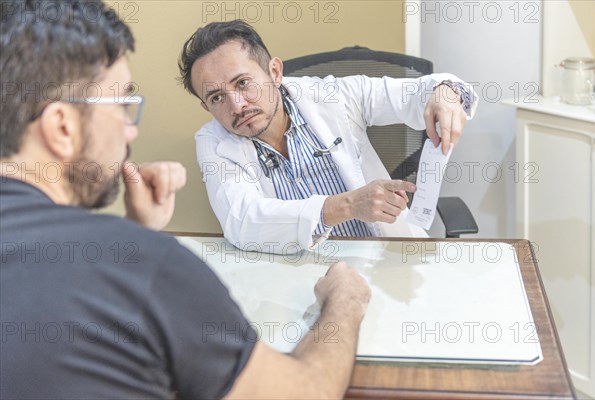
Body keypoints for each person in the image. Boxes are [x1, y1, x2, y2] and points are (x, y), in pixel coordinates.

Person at [0, 1, 371, 398]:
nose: (130, 131)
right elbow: (304, 393)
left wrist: (136, 235)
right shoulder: (155, 270)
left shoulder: (124, 267)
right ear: (61, 126)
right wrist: (345, 301)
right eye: (123, 105)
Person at [179, 20, 479, 254]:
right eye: (217, 97)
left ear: (275, 72)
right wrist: (347, 205)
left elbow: (418, 92)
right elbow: (243, 220)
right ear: (206, 106)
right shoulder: (213, 143)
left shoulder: (333, 96)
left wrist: (444, 93)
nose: (237, 105)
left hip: (379, 261)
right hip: (294, 275)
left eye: (243, 82)